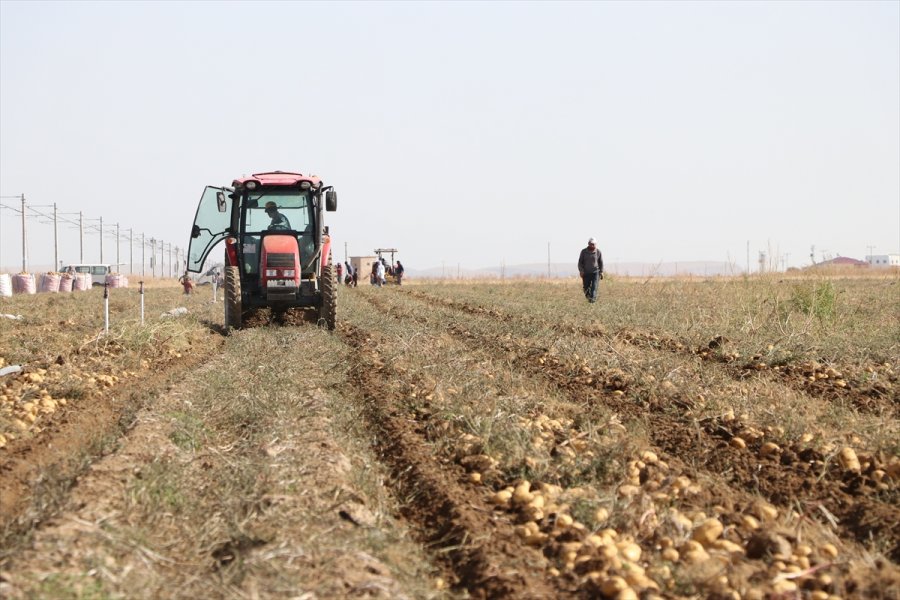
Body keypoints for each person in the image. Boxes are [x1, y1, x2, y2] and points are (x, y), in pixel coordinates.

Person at [577, 237, 604, 303]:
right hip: (586, 273)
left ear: (595, 244)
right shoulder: (583, 252)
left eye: (593, 244)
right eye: (591, 244)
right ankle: (589, 299)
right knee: (586, 288)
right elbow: (580, 262)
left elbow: (601, 262)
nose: (592, 246)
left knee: (594, 287)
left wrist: (601, 272)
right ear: (588, 243)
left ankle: (592, 301)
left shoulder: (598, 252)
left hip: (595, 272)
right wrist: (581, 271)